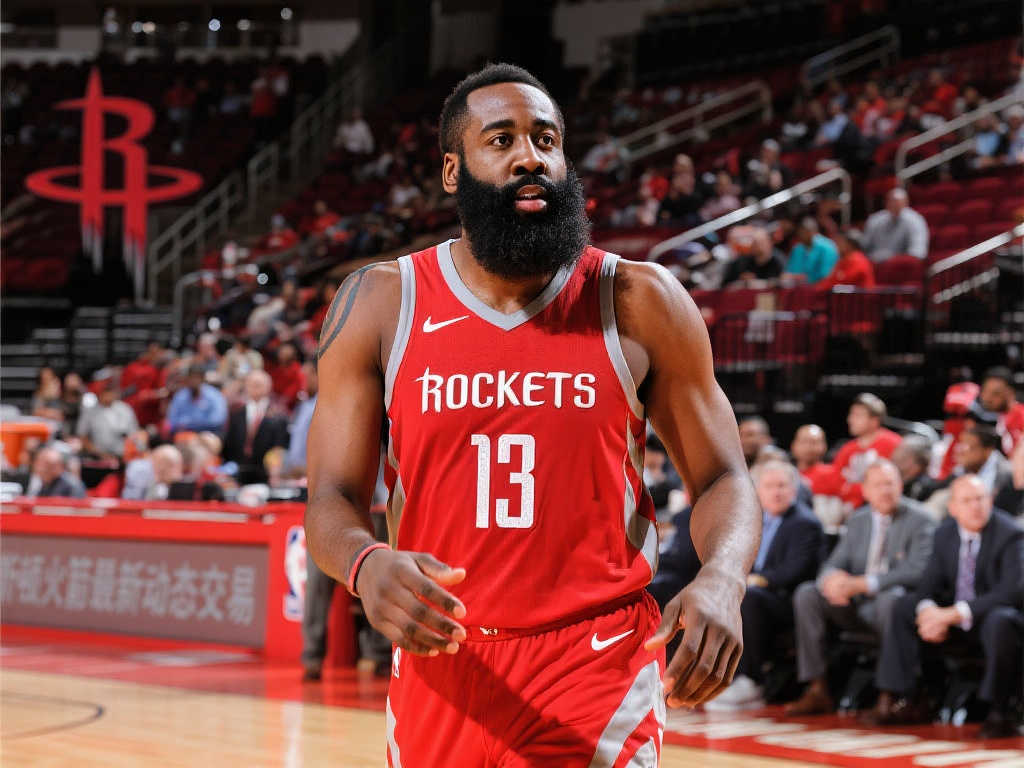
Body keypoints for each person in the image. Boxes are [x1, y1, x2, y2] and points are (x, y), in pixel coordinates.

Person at [304, 63, 760, 767]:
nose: (530, 158)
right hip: (441, 663)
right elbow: (330, 499)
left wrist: (723, 578)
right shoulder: (381, 303)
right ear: (453, 171)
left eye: (546, 140)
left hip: (594, 662)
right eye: (502, 140)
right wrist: (365, 565)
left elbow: (724, 477)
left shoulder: (639, 300)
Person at [862, 475, 1023, 738]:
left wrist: (952, 614)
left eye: (980, 499)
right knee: (904, 605)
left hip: (990, 617)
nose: (975, 506)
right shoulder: (944, 533)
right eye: (967, 501)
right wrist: (929, 613)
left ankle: (998, 711)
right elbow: (927, 585)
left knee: (1000, 620)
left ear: (990, 501)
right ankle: (900, 697)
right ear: (953, 508)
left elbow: (1012, 592)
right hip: (954, 619)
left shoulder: (1010, 534)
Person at [785, 460, 935, 716]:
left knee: (892, 600)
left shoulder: (921, 519)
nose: (885, 491)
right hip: (853, 604)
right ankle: (817, 688)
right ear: (865, 490)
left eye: (890, 484)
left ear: (901, 486)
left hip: (891, 605)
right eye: (878, 485)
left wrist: (864, 583)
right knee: (808, 593)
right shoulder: (858, 519)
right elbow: (833, 564)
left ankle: (890, 696)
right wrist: (832, 582)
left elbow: (918, 570)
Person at [706, 461, 823, 711]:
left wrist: (758, 580)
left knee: (750, 597)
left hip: (788, 599)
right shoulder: (753, 519)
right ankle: (717, 673)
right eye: (769, 486)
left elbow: (795, 571)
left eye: (782, 486)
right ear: (758, 490)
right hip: (757, 592)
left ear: (794, 490)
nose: (776, 492)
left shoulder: (805, 523)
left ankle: (751, 680)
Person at [831, 393, 902, 508]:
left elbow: (898, 480)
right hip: (851, 507)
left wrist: (856, 489)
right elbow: (837, 484)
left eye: (857, 416)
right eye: (851, 415)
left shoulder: (894, 444)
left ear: (874, 420)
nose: (850, 420)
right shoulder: (847, 449)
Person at [223, 370, 290, 485]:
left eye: (259, 385)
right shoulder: (236, 412)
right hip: (239, 471)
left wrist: (275, 470)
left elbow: (280, 446)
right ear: (246, 386)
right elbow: (229, 442)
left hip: (266, 472)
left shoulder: (278, 414)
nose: (255, 388)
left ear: (268, 387)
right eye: (251, 384)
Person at [76, 380, 139, 461]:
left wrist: (130, 452)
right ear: (98, 393)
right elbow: (82, 436)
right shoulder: (89, 411)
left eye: (109, 391)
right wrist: (98, 453)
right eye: (104, 392)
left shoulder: (125, 409)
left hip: (124, 455)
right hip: (98, 456)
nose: (108, 395)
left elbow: (135, 434)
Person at [861, 188, 929, 263]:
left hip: (900, 264)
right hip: (873, 262)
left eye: (898, 203)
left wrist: (896, 261)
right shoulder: (875, 219)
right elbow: (863, 246)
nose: (894, 205)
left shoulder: (915, 220)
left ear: (906, 203)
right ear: (886, 203)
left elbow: (917, 252)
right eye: (891, 202)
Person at [950, 426, 1014, 498]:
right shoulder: (959, 470)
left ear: (987, 450)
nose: (959, 450)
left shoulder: (1009, 475)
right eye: (960, 443)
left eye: (967, 445)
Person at [167, 365, 228, 436]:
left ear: (203, 379)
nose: (194, 381)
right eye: (191, 378)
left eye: (197, 378)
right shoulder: (180, 396)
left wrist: (191, 423)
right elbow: (173, 421)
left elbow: (217, 420)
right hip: (185, 433)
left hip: (209, 432)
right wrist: (192, 425)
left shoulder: (214, 395)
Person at [977, 366, 1024, 454]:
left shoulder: (1021, 415)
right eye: (985, 391)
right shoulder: (1003, 416)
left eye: (995, 393)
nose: (987, 398)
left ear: (1010, 392)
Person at [784, 218, 839, 285]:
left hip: (822, 288)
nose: (801, 234)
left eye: (805, 231)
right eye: (800, 232)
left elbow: (826, 275)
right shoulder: (798, 248)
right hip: (796, 288)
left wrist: (802, 278)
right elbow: (790, 271)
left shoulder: (827, 247)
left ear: (813, 231)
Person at [791, 424, 841, 497]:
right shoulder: (785, 475)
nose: (808, 447)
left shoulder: (834, 475)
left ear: (824, 446)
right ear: (793, 445)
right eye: (804, 441)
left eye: (814, 442)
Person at [891, 435, 940, 502]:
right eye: (898, 450)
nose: (896, 456)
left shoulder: (924, 488)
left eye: (904, 455)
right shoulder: (890, 478)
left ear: (918, 463)